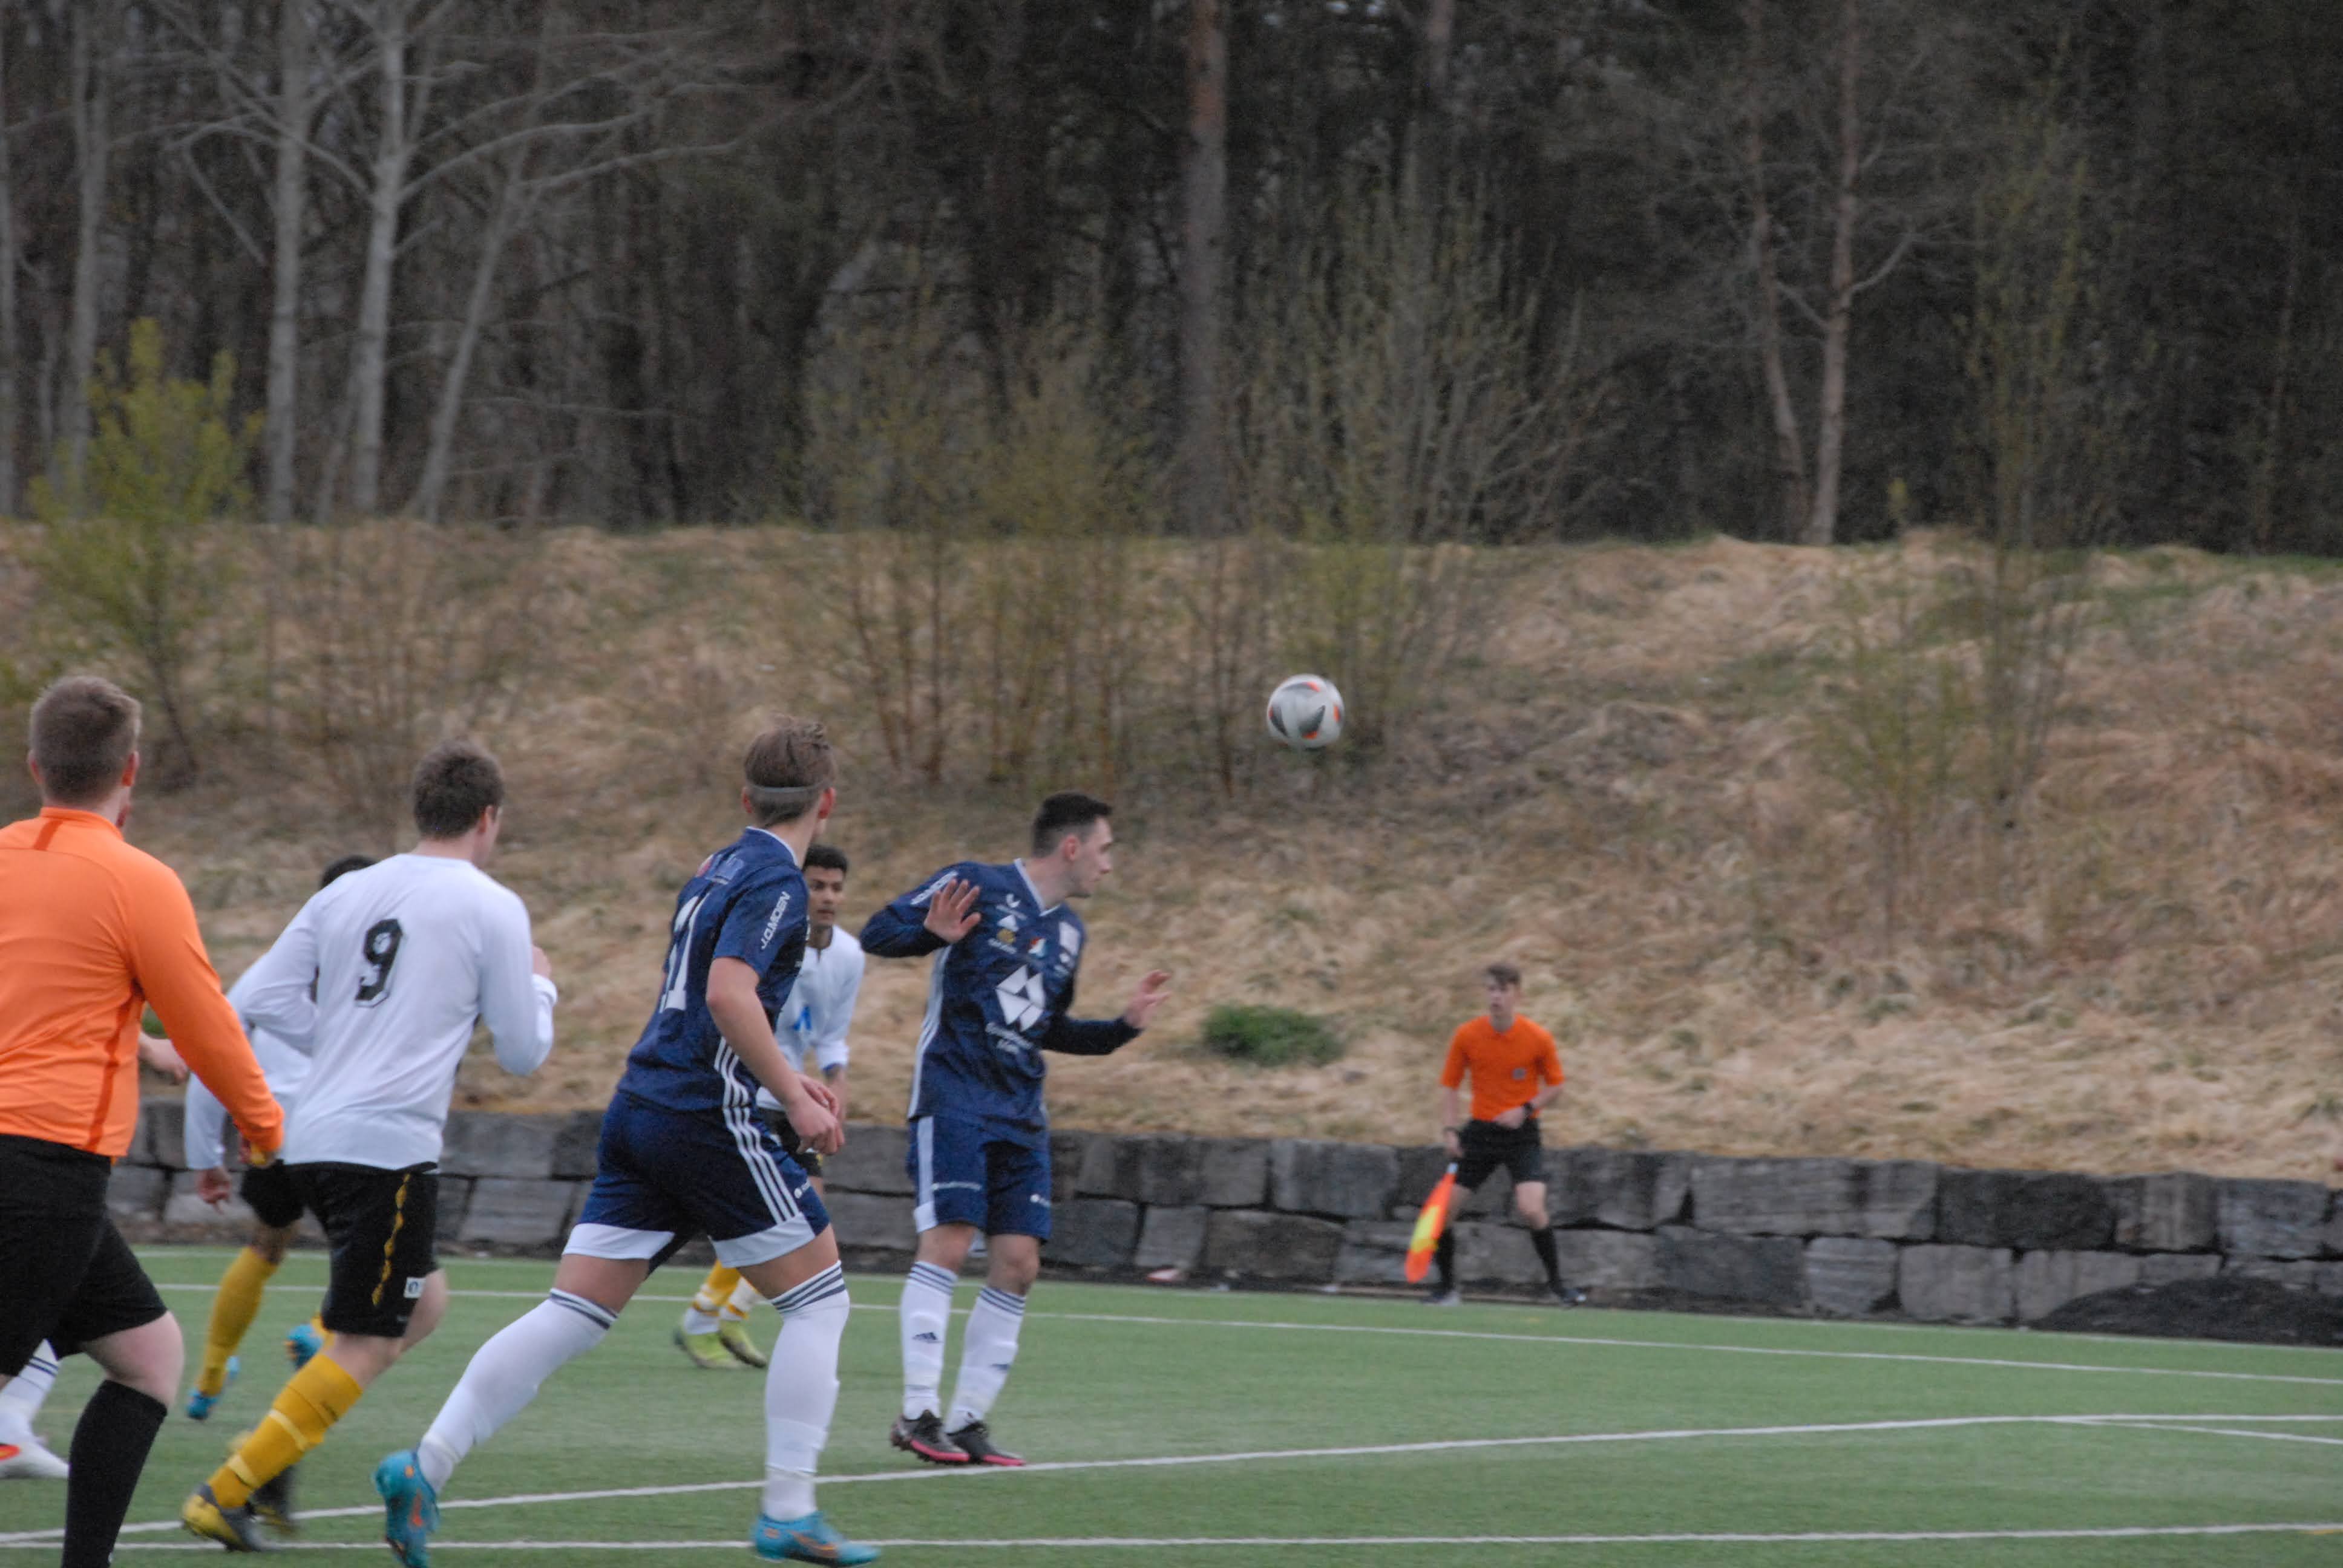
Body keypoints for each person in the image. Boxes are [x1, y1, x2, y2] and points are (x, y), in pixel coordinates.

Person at [376, 719, 877, 1567]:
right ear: (825, 803)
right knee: (820, 1302)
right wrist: (793, 1096)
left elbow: (703, 1005)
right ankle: (789, 1511)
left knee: (571, 1314)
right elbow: (728, 996)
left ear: (745, 797)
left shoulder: (714, 867)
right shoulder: (779, 883)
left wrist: (780, 1079)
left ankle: (425, 1466)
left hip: (643, 1107)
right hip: (704, 1121)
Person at [180, 743, 557, 1550]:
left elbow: (256, 998)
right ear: (489, 818)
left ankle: (275, 1436)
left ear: (420, 810)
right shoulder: (492, 904)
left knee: (426, 1303)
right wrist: (541, 984)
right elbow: (524, 1052)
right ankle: (230, 1489)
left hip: (312, 1138)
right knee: (373, 1340)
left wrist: (343, 1039)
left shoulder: (350, 890)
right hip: (385, 1148)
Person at [0, 676, 285, 1567]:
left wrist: (133, 1043)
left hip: (41, 1170)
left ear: (35, 767)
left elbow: (47, 1003)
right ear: (132, 770)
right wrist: (265, 1130)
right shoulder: (138, 880)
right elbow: (209, 1027)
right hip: (43, 1164)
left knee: (149, 1357)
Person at [862, 791, 1171, 1468]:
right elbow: (878, 932)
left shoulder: (1070, 933)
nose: (1108, 865)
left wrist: (1121, 1029)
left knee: (1020, 1263)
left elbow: (1046, 1028)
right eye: (1104, 850)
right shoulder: (975, 883)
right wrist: (931, 934)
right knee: (949, 1241)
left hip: (1021, 1111)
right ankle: (918, 1414)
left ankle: (969, 1422)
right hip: (954, 1096)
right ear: (1071, 847)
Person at [181, 855, 377, 1425]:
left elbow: (214, 1051)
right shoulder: (383, 970)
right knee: (375, 1250)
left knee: (267, 1245)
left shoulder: (276, 965)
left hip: (272, 1134)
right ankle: (317, 1331)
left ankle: (210, 1376)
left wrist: (204, 1156)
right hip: (343, 1134)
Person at [677, 842, 865, 1371]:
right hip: (752, 1092)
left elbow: (832, 1034)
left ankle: (725, 1315)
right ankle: (706, 1317)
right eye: (816, 885)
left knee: (801, 1218)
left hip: (795, 1099)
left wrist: (837, 1081)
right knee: (779, 1218)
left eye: (836, 887)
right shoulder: (766, 941)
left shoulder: (849, 956)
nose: (827, 897)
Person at [1423, 963, 1581, 1307]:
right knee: (1443, 1211)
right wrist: (1450, 1130)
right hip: (1480, 1134)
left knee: (1531, 1209)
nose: (1496, 997)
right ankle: (1448, 1289)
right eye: (1491, 990)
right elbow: (1449, 1086)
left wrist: (1524, 1109)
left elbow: (1556, 1086)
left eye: (1503, 990)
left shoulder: (1537, 1038)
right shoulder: (1467, 1035)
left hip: (1522, 1135)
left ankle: (1558, 1287)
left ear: (1517, 995)